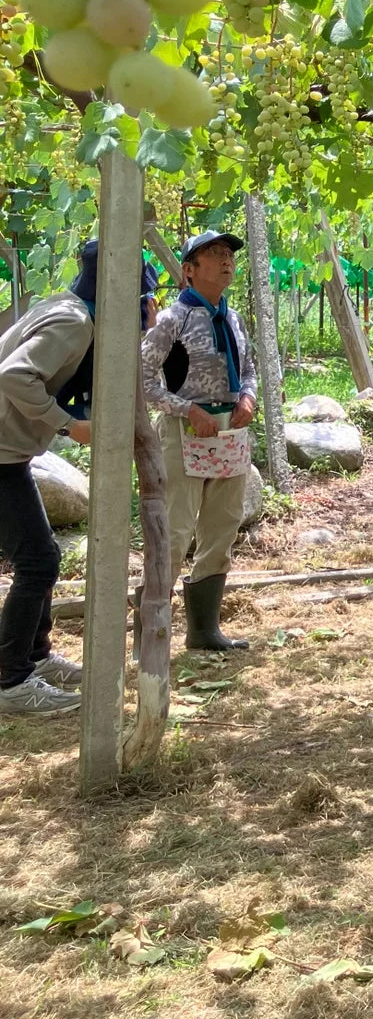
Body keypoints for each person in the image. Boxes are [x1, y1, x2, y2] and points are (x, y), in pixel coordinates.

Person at [0, 242, 156, 713]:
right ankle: (10, 680)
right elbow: (13, 375)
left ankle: (35, 657)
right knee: (38, 563)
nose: (146, 308)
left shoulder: (69, 308)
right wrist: (68, 424)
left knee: (41, 556)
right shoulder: (73, 323)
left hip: (9, 451)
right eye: (140, 298)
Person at [142, 231, 260, 653]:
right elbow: (143, 380)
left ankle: (204, 630)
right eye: (215, 254)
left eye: (229, 254)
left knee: (223, 525)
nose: (226, 260)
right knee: (174, 530)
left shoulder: (234, 318)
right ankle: (151, 632)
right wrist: (187, 409)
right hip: (184, 431)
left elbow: (249, 369)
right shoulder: (173, 320)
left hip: (229, 431)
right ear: (190, 270)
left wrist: (248, 397)